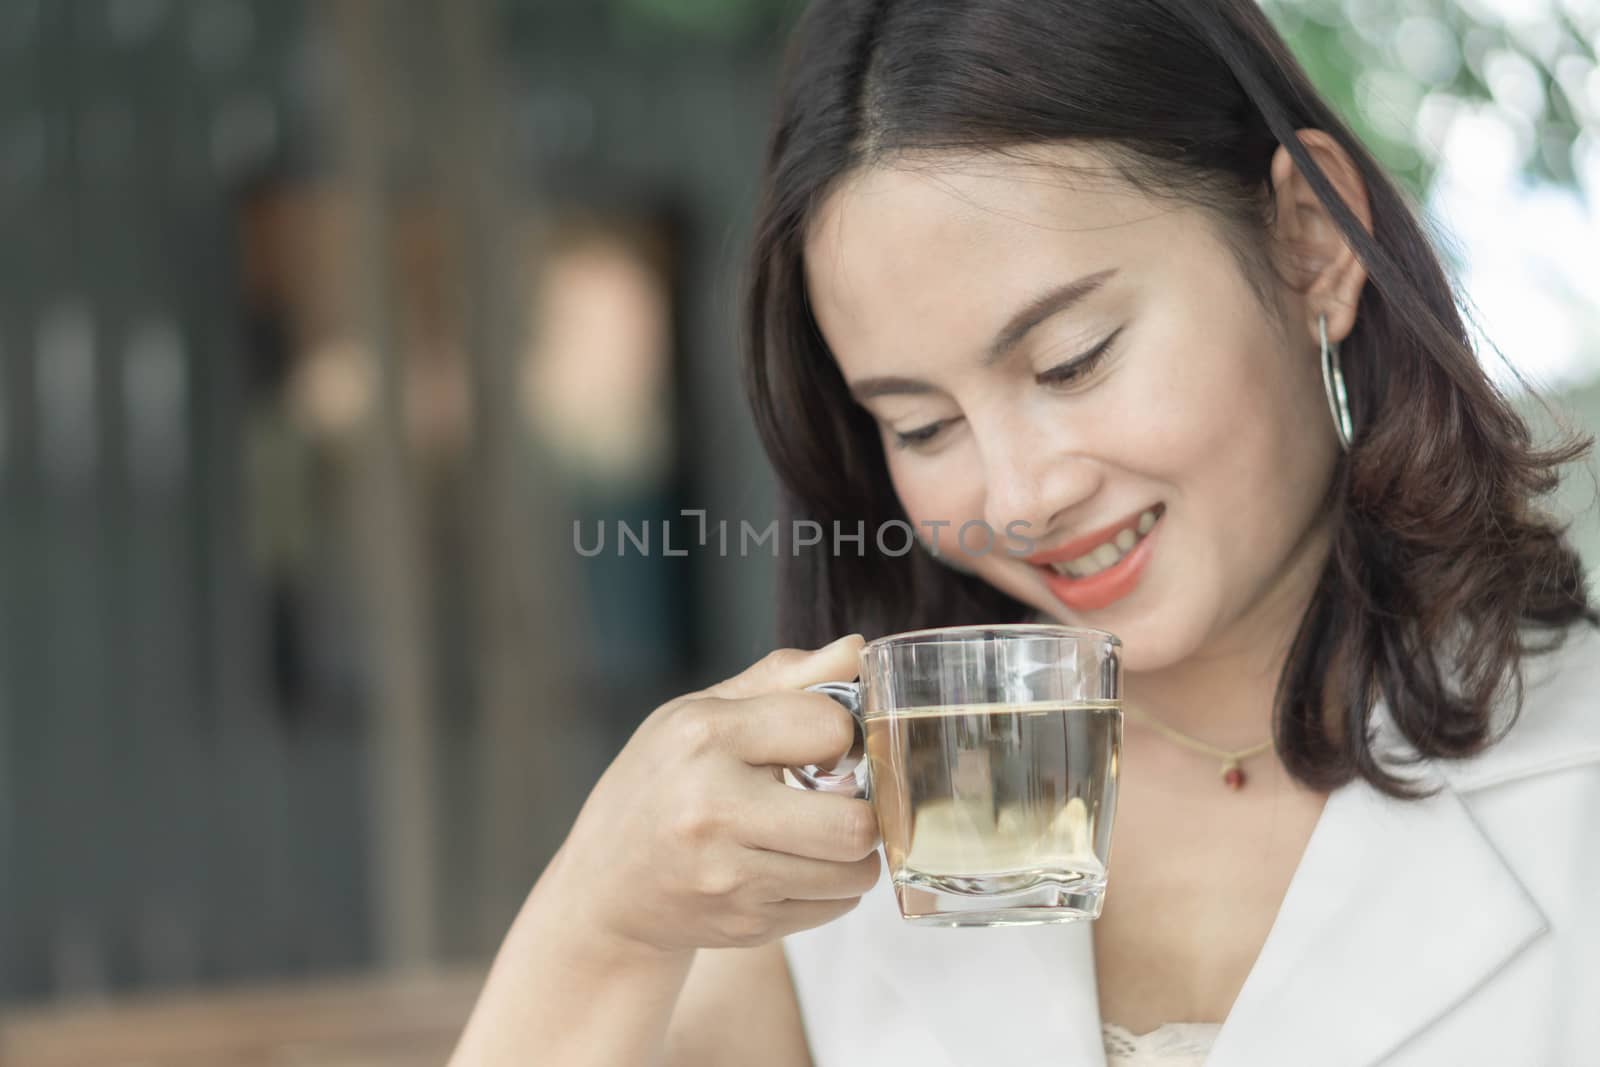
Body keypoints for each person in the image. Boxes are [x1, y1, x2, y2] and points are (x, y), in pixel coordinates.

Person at [449, 1, 1600, 1064]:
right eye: (921, 420)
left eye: (1071, 358)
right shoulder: (839, 854)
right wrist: (600, 918)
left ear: (1308, 241)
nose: (1015, 495)